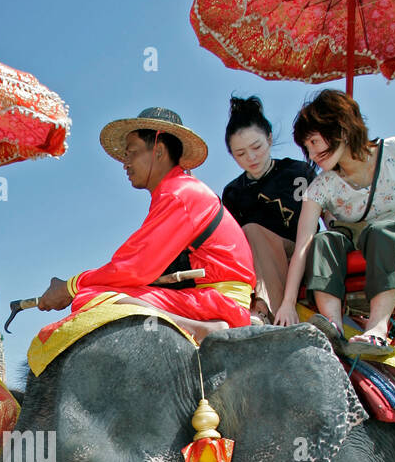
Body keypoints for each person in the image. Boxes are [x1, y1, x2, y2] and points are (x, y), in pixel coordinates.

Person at [36, 107, 256, 331]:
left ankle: (197, 328)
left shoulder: (178, 194)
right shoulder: (176, 190)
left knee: (91, 298)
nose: (125, 163)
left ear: (159, 151)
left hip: (218, 302)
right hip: (210, 298)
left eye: (131, 152)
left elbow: (133, 268)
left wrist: (70, 287)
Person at [273, 91, 395, 353]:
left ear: (342, 129)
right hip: (357, 254)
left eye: (315, 141)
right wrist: (287, 302)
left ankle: (377, 328)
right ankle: (333, 324)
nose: (312, 154)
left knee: (381, 231)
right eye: (307, 146)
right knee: (324, 239)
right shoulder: (320, 188)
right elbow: (303, 245)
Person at [222, 95, 316, 321]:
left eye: (257, 147)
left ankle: (265, 310)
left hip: (302, 251)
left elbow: (325, 218)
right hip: (257, 261)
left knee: (253, 231)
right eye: (241, 154)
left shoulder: (298, 172)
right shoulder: (233, 191)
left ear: (270, 139)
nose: (251, 158)